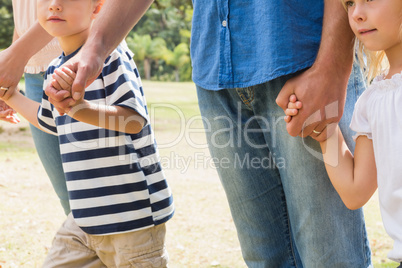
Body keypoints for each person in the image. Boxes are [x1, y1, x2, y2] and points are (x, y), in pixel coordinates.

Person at [44, 1, 372, 267]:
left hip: (302, 58)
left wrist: (332, 65)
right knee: (265, 258)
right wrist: (94, 50)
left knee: (329, 256)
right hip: (216, 70)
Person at [0, 0, 174, 266]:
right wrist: (10, 96)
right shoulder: (54, 67)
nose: (54, 6)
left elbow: (134, 120)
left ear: (97, 8)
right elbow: (51, 121)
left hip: (132, 222)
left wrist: (81, 109)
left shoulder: (112, 56)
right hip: (84, 221)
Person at [286, 0, 402, 265]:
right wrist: (326, 130)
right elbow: (354, 191)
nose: (357, 14)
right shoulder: (373, 99)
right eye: (349, 3)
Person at [0, 0, 69, 214]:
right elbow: (23, 17)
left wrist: (14, 58)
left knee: (93, 186)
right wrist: (12, 70)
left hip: (74, 62)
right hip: (33, 73)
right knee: (66, 193)